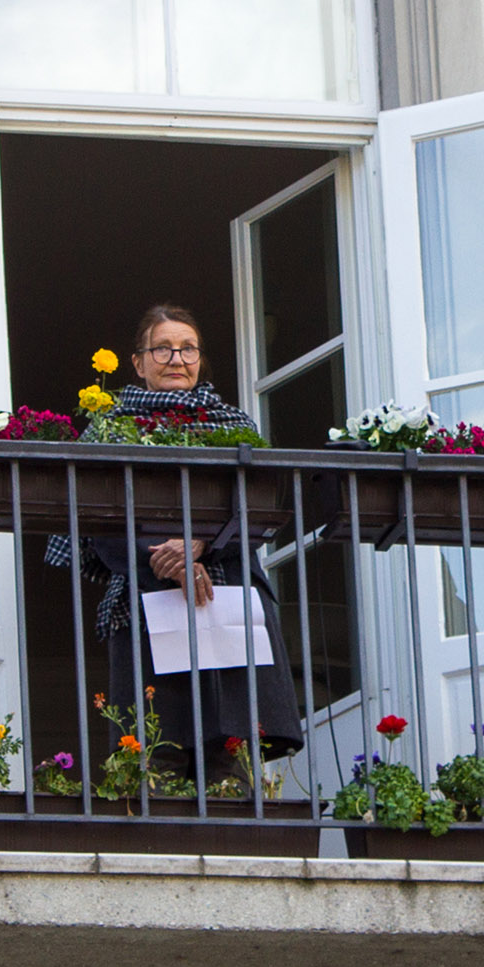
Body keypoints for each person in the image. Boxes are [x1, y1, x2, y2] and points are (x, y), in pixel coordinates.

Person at [48, 304, 304, 781]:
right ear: (138, 363)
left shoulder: (233, 424)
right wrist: (164, 561)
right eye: (162, 348)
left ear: (200, 360)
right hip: (144, 601)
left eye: (188, 348)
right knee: (156, 747)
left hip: (226, 596)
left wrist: (201, 546)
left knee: (231, 749)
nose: (176, 358)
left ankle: (235, 847)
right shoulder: (107, 429)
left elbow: (257, 507)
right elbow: (95, 520)